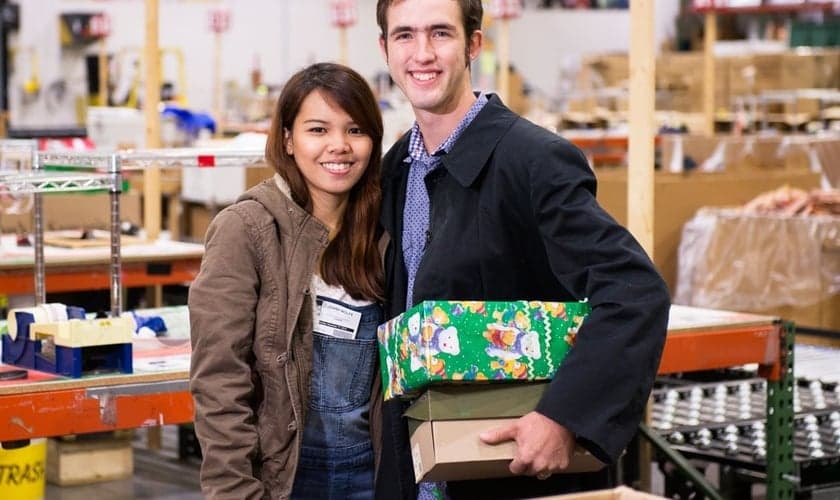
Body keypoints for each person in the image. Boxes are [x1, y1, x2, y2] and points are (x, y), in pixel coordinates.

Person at [373, 0, 671, 499]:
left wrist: (563, 415)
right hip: (418, 464)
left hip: (506, 464)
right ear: (384, 48)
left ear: (473, 44)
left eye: (440, 34)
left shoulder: (532, 161)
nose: (421, 53)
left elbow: (635, 292)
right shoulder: (397, 167)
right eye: (404, 35)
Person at [188, 62, 385, 500]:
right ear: (288, 140)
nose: (339, 146)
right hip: (285, 476)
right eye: (318, 130)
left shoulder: (381, 233)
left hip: (372, 473)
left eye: (355, 131)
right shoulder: (246, 229)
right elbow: (220, 378)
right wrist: (234, 488)